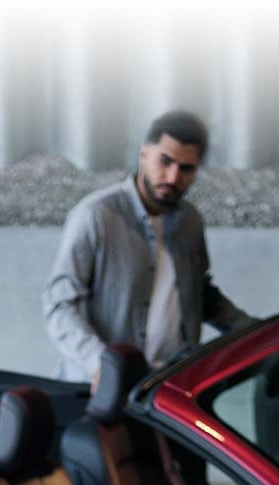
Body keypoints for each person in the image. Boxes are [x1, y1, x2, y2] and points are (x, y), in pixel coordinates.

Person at [43, 110, 254, 384]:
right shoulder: (96, 215)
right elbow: (59, 305)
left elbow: (200, 295)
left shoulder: (190, 222)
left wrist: (260, 332)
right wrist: (99, 363)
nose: (172, 176)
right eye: (164, 161)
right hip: (104, 390)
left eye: (186, 168)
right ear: (144, 153)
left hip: (168, 388)